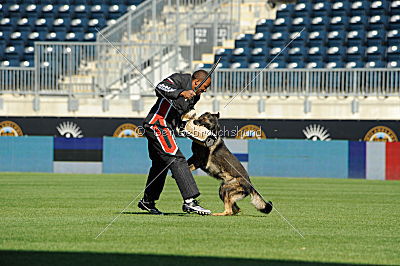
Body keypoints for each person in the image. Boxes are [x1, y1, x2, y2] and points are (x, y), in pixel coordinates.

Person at [138, 70, 212, 215]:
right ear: (197, 82)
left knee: (160, 164)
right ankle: (190, 201)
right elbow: (160, 87)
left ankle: (148, 201)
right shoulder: (179, 79)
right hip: (157, 125)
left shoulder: (195, 97)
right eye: (205, 87)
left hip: (167, 128)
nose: (205, 90)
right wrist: (181, 92)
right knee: (176, 158)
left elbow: (181, 116)